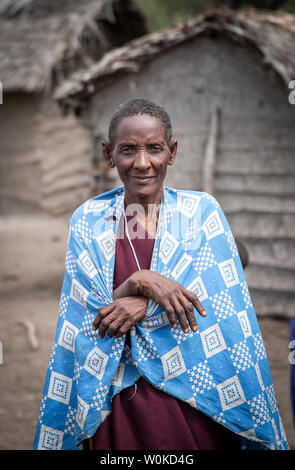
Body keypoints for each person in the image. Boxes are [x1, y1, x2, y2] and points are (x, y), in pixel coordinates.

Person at [33, 98, 288, 451]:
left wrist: (142, 305)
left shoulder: (201, 213)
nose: (142, 163)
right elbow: (89, 319)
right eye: (127, 150)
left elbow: (222, 313)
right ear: (108, 154)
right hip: (120, 398)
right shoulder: (90, 221)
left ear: (172, 152)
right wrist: (143, 281)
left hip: (201, 399)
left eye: (154, 148)